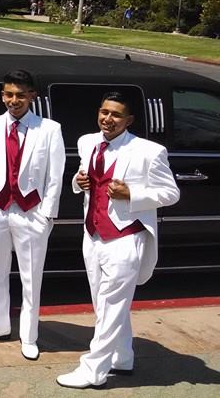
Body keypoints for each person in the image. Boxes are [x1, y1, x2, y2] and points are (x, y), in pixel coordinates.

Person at [56, 92, 180, 389]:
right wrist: (78, 182)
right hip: (93, 234)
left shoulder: (149, 151)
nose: (107, 119)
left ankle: (93, 370)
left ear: (129, 120)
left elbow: (171, 193)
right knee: (104, 303)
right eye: (104, 112)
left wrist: (133, 194)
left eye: (115, 115)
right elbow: (83, 176)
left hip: (126, 237)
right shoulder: (87, 142)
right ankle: (122, 357)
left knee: (112, 304)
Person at [0, 70, 65, 361]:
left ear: (32, 96)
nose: (14, 100)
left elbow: (55, 176)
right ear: (2, 95)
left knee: (31, 278)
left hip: (31, 213)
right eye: (9, 94)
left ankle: (29, 335)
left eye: (21, 95)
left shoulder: (49, 129)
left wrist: (47, 215)